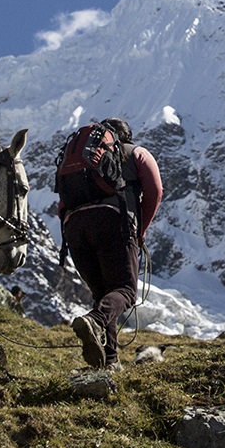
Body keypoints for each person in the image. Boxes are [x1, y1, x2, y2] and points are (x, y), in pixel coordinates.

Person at [59, 118, 163, 370]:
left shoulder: (80, 163)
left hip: (74, 228)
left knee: (104, 296)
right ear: (125, 137)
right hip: (113, 221)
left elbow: (62, 204)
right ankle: (95, 321)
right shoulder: (135, 152)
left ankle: (110, 361)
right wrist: (140, 230)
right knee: (124, 291)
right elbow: (155, 190)